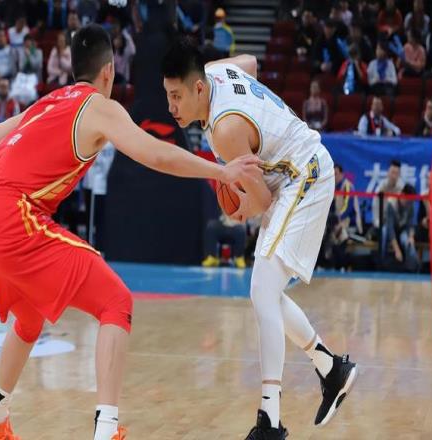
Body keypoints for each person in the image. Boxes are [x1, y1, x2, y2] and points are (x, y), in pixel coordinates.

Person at [0, 24, 258, 440]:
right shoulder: (99, 107)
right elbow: (157, 155)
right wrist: (220, 171)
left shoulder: (49, 101)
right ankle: (106, 429)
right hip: (14, 218)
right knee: (116, 302)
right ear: (109, 71)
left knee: (29, 317)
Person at [162, 38, 358, 440]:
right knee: (267, 293)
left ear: (198, 88)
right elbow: (249, 62)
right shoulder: (214, 72)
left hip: (303, 175)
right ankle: (330, 368)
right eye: (167, 95)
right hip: (290, 175)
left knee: (261, 292)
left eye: (177, 96)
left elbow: (262, 201)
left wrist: (240, 209)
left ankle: (270, 421)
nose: (171, 106)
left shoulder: (225, 130)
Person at [382, 183, 419, 271]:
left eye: (411, 201)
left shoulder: (410, 205)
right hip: (390, 230)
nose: (409, 203)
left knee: (407, 241)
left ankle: (412, 267)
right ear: (402, 195)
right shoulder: (391, 203)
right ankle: (381, 262)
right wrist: (397, 250)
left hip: (402, 230)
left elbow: (411, 224)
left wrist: (411, 237)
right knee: (383, 232)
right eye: (408, 200)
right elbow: (390, 229)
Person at [372, 159, 404, 228]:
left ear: (399, 175)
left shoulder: (402, 188)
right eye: (392, 172)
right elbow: (375, 207)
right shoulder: (381, 187)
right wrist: (378, 223)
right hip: (381, 220)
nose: (394, 176)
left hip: (396, 222)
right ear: (388, 173)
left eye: (396, 173)